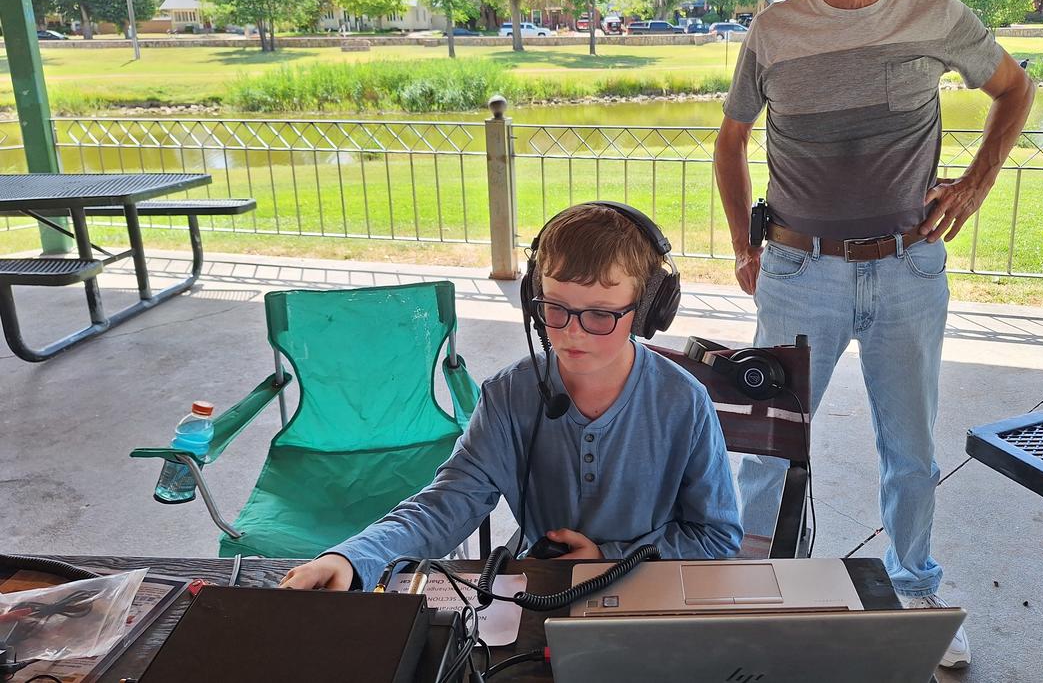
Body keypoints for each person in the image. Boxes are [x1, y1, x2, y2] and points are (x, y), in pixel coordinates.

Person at [714, 0, 1034, 669]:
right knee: (767, 446)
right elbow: (731, 138)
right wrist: (745, 245)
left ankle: (915, 589)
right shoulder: (774, 30)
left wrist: (976, 184)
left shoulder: (936, 12)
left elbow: (1014, 89)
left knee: (912, 452)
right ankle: (749, 589)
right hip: (799, 272)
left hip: (907, 271)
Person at [282, 202, 742, 592]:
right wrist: (353, 558)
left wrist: (609, 558)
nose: (572, 332)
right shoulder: (508, 396)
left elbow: (717, 537)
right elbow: (447, 503)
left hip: (649, 591)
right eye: (554, 308)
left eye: (600, 315)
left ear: (647, 311)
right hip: (545, 587)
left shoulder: (683, 402)